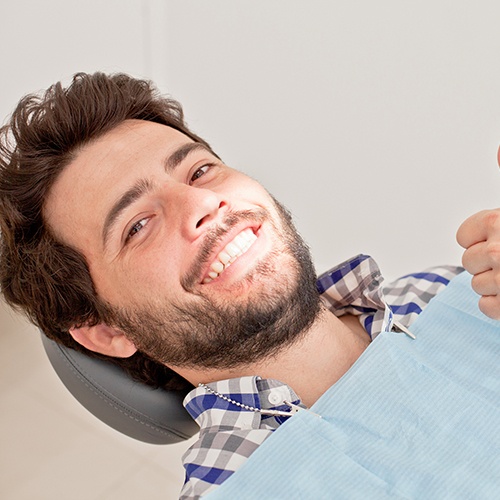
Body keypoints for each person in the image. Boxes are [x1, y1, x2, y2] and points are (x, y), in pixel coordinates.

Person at [0, 72, 498, 499]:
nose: (201, 204)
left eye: (199, 170)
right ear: (106, 330)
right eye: (137, 225)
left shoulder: (458, 292)